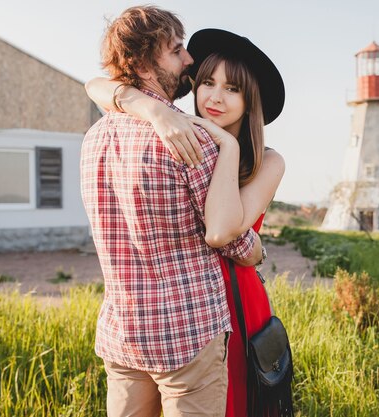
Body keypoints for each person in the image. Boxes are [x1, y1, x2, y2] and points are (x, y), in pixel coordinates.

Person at [85, 29, 287, 417]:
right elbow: (95, 85)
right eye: (208, 82)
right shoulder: (179, 137)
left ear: (250, 102)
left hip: (233, 298)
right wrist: (153, 109)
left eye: (232, 89)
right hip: (180, 299)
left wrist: (225, 145)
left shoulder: (268, 161)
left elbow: (223, 232)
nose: (214, 97)